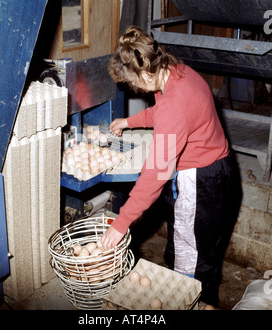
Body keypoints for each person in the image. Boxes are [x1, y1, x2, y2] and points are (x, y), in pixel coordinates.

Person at [100, 26, 242, 309]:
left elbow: (157, 173)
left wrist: (122, 221)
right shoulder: (177, 72)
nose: (136, 89)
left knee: (191, 266)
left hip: (200, 182)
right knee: (197, 248)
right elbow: (161, 111)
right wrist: (130, 121)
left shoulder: (174, 104)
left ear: (146, 72)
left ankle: (194, 303)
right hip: (218, 169)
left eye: (134, 83)